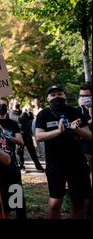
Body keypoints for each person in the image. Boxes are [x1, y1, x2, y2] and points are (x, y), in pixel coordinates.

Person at [35, 85, 92, 219]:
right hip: (55, 165)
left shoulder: (75, 112)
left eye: (60, 94)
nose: (57, 97)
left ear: (65, 96)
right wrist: (59, 131)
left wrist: (76, 129)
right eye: (53, 95)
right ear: (48, 98)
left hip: (77, 164)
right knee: (55, 204)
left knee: (78, 203)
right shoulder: (43, 114)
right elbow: (38, 136)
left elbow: (89, 136)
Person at [0, 97, 26, 219]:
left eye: (3, 105)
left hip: (11, 164)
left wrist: (7, 135)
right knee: (0, 197)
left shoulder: (12, 123)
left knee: (17, 197)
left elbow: (21, 142)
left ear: (7, 107)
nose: (1, 107)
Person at [9, 98, 44, 171]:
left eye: (18, 102)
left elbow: (30, 118)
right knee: (20, 153)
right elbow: (19, 119)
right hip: (19, 136)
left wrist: (29, 112)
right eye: (16, 103)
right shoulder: (11, 113)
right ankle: (21, 166)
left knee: (32, 151)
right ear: (12, 105)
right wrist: (24, 112)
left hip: (27, 134)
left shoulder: (21, 112)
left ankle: (38, 166)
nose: (18, 104)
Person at [77, 82, 92, 218]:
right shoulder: (78, 111)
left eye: (87, 95)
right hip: (85, 148)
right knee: (85, 179)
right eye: (82, 95)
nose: (84, 98)